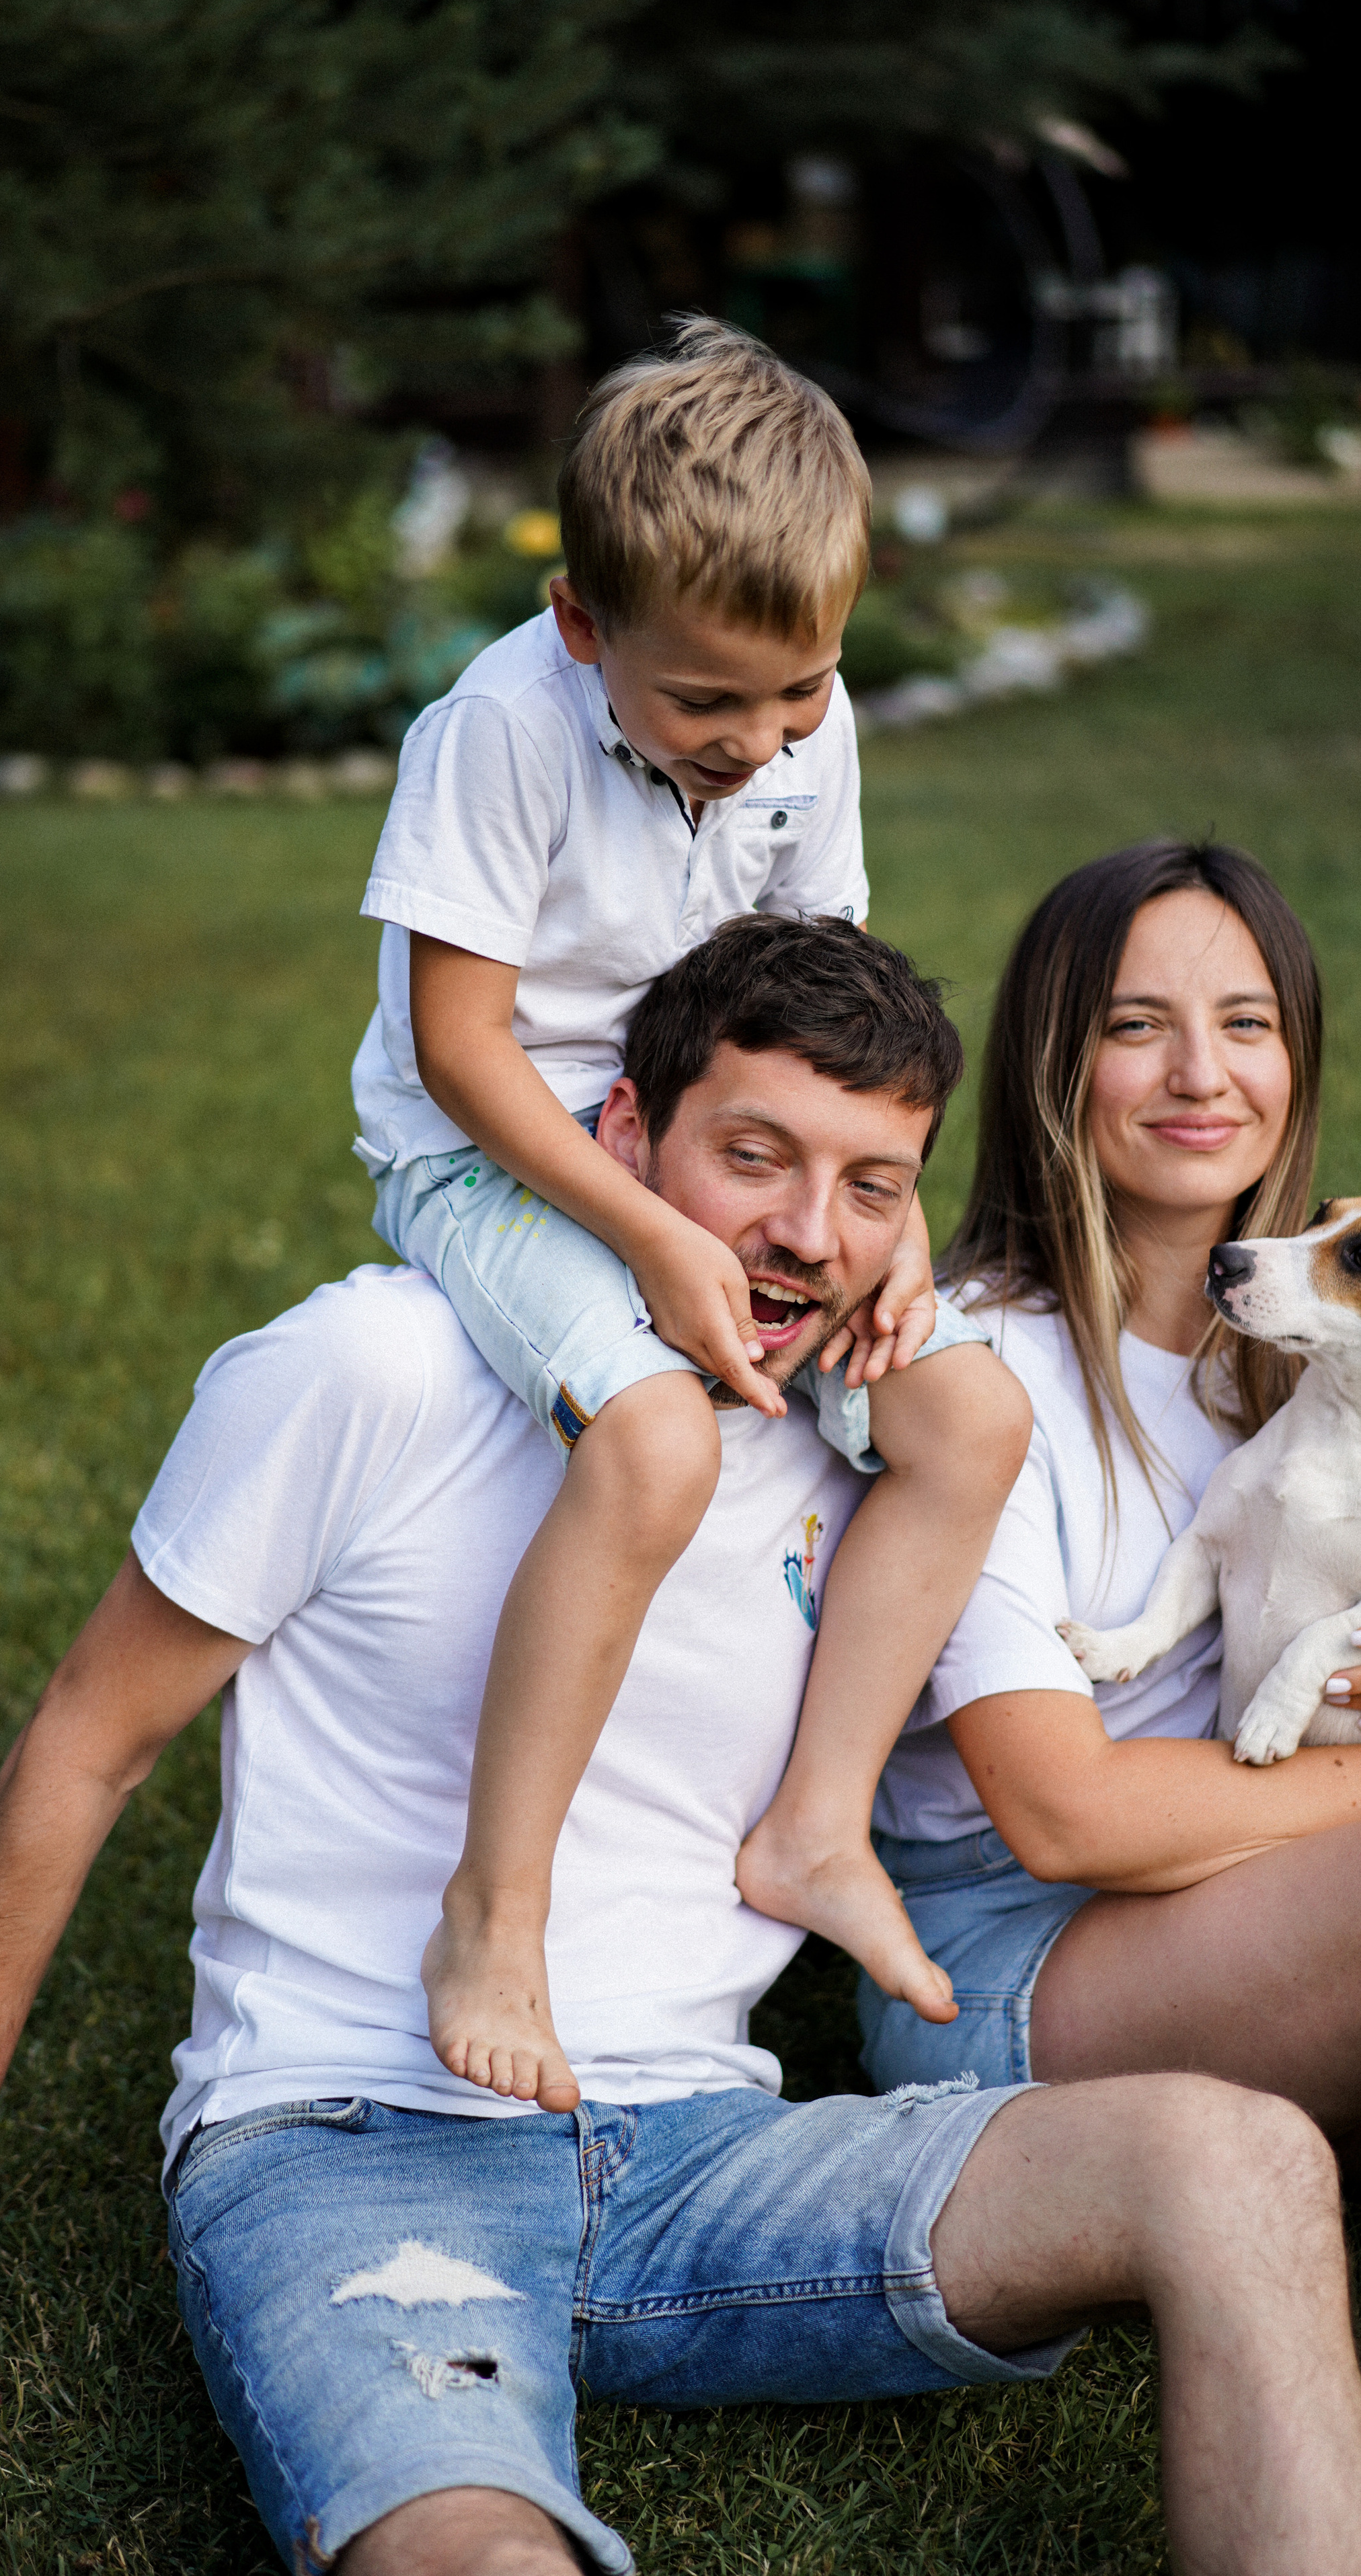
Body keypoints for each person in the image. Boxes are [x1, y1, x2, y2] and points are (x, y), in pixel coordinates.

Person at [0, 919, 1361, 2576]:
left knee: (1241, 2158)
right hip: (359, 2142)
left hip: (707, 2147)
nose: (805, 1234)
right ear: (624, 1135)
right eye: (752, 1157)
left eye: (870, 1186)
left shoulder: (874, 1440)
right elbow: (81, 1748)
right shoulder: (370, 1368)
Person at [351, 316, 1027, 2113]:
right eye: (706, 703)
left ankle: (817, 1825)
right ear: (583, 623)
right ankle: (495, 1908)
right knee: (655, 1440)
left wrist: (881, 1226)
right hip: (501, 1149)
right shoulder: (498, 728)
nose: (759, 739)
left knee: (968, 1413)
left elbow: (827, 993)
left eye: (796, 690)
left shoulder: (808, 722)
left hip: (725, 1127)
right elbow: (457, 1046)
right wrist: (653, 1232)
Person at [861, 838, 1361, 2218]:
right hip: (1008, 1965)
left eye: (1245, 1023)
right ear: (1053, 1062)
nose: (1199, 1073)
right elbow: (1062, 1815)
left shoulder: (1313, 1358)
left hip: (1266, 1900)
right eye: (1134, 1026)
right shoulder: (972, 1368)